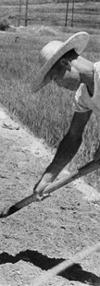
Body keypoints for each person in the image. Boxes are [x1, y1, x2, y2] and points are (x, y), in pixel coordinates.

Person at [29, 32, 100, 196]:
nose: (59, 85)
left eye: (55, 78)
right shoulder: (82, 96)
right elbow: (73, 136)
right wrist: (49, 176)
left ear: (66, 63)